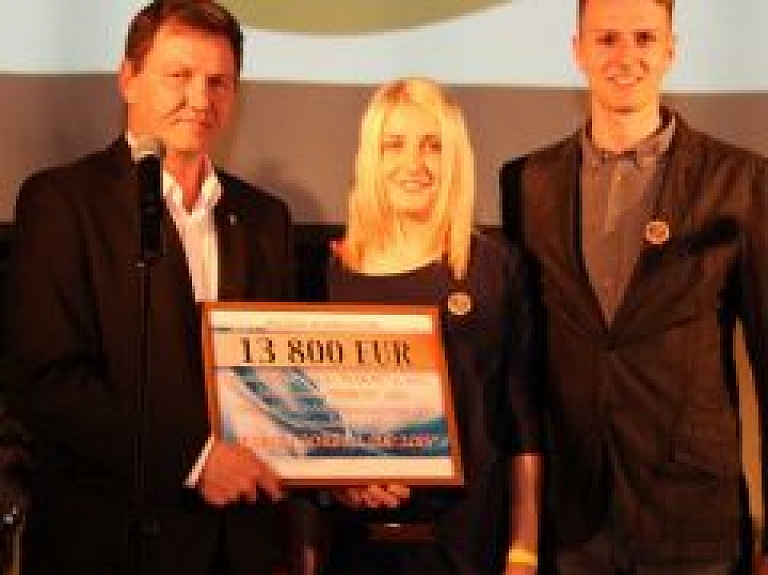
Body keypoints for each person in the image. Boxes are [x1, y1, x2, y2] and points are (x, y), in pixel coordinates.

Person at [3, 1, 296, 573]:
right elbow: (46, 381)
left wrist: (345, 465)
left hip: (240, 549)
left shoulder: (265, 219)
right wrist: (196, 459)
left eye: (218, 82)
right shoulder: (62, 202)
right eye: (179, 75)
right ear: (128, 79)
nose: (200, 99)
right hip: (108, 545)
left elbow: (282, 381)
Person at [500, 0, 768, 573]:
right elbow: (519, 359)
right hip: (572, 522)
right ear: (578, 51)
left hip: (694, 521)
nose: (626, 56)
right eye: (606, 39)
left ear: (671, 50)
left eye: (644, 38)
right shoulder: (527, 182)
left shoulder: (741, 181)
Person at [316, 77, 543, 574]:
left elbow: (521, 418)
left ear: (456, 157)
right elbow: (313, 418)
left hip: (469, 545)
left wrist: (524, 549)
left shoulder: (494, 266)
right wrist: (336, 481)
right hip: (358, 547)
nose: (414, 163)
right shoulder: (334, 271)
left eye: (433, 146)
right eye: (394, 144)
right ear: (371, 157)